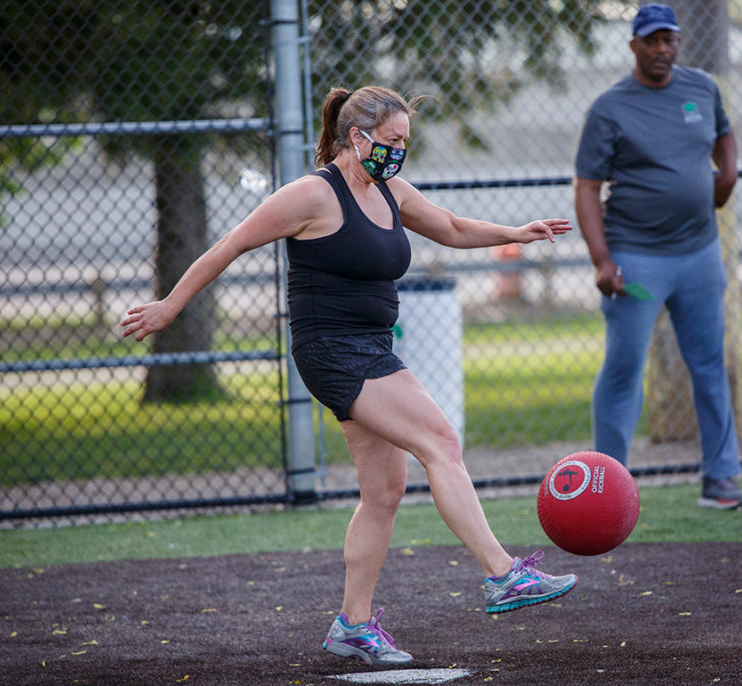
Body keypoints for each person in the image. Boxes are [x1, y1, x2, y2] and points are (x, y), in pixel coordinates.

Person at [122, 85, 578, 667]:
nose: (398, 152)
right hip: (331, 350)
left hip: (370, 347)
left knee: (383, 492)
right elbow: (229, 245)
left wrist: (515, 232)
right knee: (440, 441)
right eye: (391, 141)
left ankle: (353, 625)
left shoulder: (387, 190)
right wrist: (169, 306)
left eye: (405, 142)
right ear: (356, 136)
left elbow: (452, 226)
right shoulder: (313, 194)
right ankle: (501, 575)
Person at [573, 4, 742, 510]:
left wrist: (729, 173)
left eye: (669, 39)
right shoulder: (609, 109)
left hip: (699, 254)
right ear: (634, 45)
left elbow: (724, 133)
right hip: (636, 262)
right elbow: (587, 188)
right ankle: (608, 489)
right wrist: (602, 261)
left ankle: (721, 479)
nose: (661, 49)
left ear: (677, 43)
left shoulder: (701, 89)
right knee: (624, 367)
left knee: (709, 366)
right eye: (651, 40)